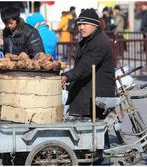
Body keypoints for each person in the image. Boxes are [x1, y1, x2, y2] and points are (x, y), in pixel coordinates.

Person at [61, 8, 115, 165]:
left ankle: (100, 159)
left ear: (94, 25)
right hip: (87, 91)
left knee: (96, 128)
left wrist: (67, 76)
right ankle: (99, 157)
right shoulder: (87, 40)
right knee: (96, 129)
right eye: (79, 24)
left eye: (84, 24)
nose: (81, 27)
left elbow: (84, 67)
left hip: (97, 93)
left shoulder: (99, 43)